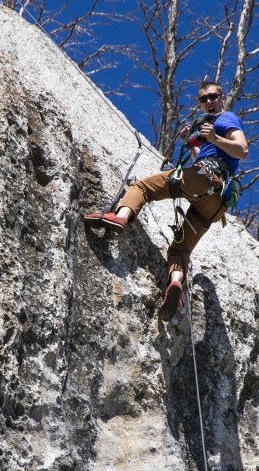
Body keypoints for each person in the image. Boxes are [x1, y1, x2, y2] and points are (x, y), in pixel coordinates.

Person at [84, 80, 248, 321]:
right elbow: (202, 159)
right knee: (180, 250)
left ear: (222, 98)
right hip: (215, 203)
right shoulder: (210, 129)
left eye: (213, 96)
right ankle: (175, 285)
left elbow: (242, 150)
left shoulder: (226, 119)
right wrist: (193, 143)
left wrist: (213, 138)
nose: (209, 102)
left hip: (205, 180)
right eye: (204, 99)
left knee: (141, 187)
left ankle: (120, 218)